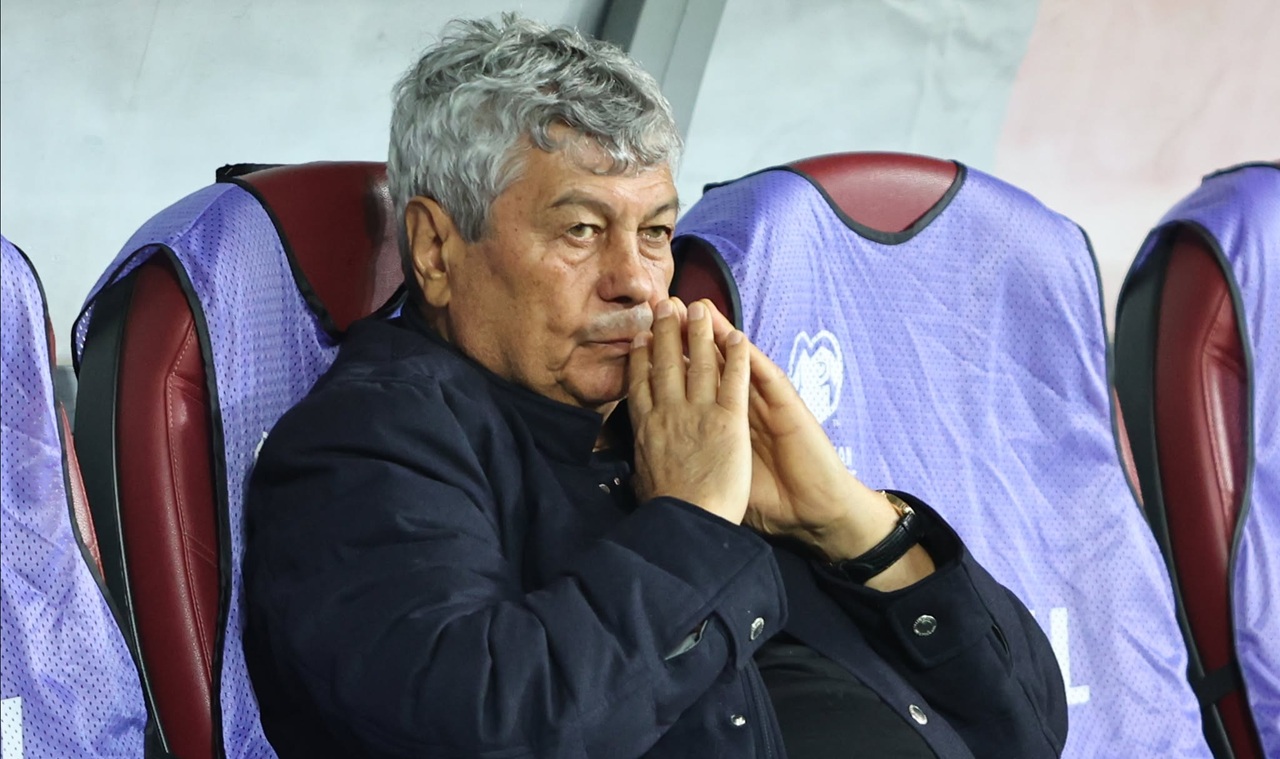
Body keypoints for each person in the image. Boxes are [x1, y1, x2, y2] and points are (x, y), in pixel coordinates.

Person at [243, 14, 1067, 758]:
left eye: (656, 232)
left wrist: (852, 523)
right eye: (581, 230)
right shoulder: (368, 445)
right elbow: (488, 726)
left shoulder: (687, 421)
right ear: (434, 247)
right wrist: (693, 523)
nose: (635, 282)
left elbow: (1029, 725)